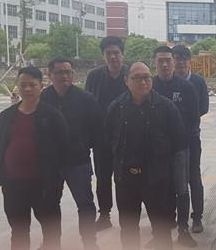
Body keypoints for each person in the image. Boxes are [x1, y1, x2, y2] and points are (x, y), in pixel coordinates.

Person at [104, 62, 187, 250]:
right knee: (128, 230)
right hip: (126, 180)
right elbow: (108, 140)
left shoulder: (166, 107)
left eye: (146, 77)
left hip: (156, 180)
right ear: (126, 81)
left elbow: (179, 142)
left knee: (161, 231)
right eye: (137, 78)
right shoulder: (117, 107)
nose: (143, 82)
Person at [0, 66, 69, 250]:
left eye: (32, 85)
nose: (27, 89)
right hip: (13, 184)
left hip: (43, 184)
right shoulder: (6, 116)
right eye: (23, 85)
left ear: (41, 87)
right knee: (18, 231)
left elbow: (64, 147)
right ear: (17, 87)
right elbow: (0, 143)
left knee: (51, 230)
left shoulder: (52, 115)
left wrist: (56, 180)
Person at [40, 58, 100, 250]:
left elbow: (97, 130)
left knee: (86, 205)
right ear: (49, 75)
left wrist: (83, 146)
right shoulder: (42, 99)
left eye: (68, 72)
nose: (65, 76)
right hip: (51, 164)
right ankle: (51, 243)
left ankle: (90, 243)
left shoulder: (86, 99)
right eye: (59, 72)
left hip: (78, 162)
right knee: (49, 204)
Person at [152, 46, 199, 247]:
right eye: (160, 60)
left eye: (168, 60)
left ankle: (183, 230)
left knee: (181, 189)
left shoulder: (186, 87)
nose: (164, 64)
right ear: (154, 63)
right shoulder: (149, 86)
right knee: (157, 191)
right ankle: (159, 234)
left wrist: (180, 140)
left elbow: (194, 118)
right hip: (154, 151)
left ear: (173, 62)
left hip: (180, 148)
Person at [85, 36, 128, 230]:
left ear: (122, 55)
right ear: (103, 56)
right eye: (108, 53)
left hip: (127, 137)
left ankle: (128, 215)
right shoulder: (94, 77)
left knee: (125, 178)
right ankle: (104, 215)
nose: (113, 57)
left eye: (116, 53)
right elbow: (88, 105)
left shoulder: (131, 74)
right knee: (103, 177)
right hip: (102, 138)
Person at [171, 44, 209, 234]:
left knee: (193, 176)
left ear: (189, 61)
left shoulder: (198, 82)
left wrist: (185, 121)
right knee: (172, 179)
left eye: (184, 58)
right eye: (177, 58)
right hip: (169, 140)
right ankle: (173, 216)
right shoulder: (167, 81)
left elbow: (203, 107)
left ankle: (197, 217)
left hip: (192, 137)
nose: (181, 62)